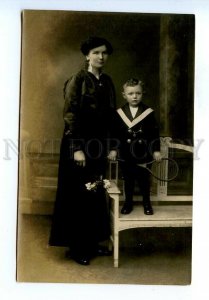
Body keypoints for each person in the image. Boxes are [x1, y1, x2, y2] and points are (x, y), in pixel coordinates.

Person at [49, 37, 116, 265]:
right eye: (96, 52)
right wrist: (76, 149)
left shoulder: (107, 81)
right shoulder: (77, 80)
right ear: (87, 55)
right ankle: (78, 248)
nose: (100, 56)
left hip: (98, 145)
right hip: (77, 143)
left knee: (94, 192)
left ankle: (91, 243)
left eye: (104, 53)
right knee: (77, 195)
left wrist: (111, 146)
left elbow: (111, 117)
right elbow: (70, 115)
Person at [108, 78, 162, 215]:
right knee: (128, 180)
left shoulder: (148, 112)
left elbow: (154, 134)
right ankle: (128, 203)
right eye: (131, 93)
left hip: (144, 153)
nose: (134, 96)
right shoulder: (119, 113)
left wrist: (156, 150)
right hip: (126, 154)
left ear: (142, 93)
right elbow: (115, 134)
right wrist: (114, 149)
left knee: (144, 180)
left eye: (138, 93)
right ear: (124, 95)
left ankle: (147, 203)